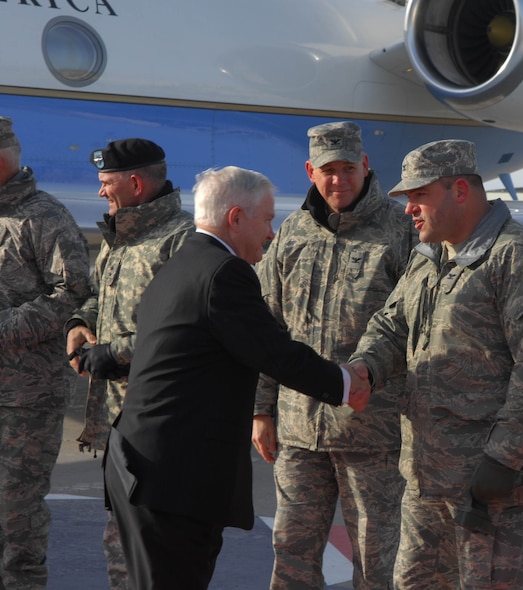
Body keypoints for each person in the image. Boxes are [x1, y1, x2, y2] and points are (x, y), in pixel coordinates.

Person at [104, 165, 372, 590]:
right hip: (173, 482)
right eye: (267, 219)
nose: (271, 233)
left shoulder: (185, 263)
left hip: (150, 469)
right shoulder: (224, 274)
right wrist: (344, 385)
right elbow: (273, 351)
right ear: (235, 218)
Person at [348, 139, 523, 589]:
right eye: (408, 199)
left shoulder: (519, 260)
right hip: (426, 481)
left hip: (488, 491)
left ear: (461, 191)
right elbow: (391, 326)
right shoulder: (430, 257)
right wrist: (364, 368)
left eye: (420, 196)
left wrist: (501, 462)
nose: (410, 209)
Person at [252, 121, 414, 589]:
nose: (338, 179)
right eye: (328, 170)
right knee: (291, 551)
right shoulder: (292, 233)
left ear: (365, 166)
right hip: (299, 432)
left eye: (348, 168)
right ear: (310, 171)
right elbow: (268, 328)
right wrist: (261, 409)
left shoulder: (400, 232)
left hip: (373, 434)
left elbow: (410, 326)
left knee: (377, 559)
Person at [64, 137, 194, 589]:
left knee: (154, 547)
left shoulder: (182, 241)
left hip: (160, 423)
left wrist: (112, 352)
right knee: (119, 544)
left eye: (106, 183)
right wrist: (82, 322)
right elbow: (101, 294)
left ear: (136, 183)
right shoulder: (121, 235)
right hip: (119, 420)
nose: (100, 193)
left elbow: (183, 329)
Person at [0, 117, 91, 589]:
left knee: (17, 519)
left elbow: (74, 289)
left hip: (25, 398)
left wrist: (9, 328)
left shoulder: (43, 216)